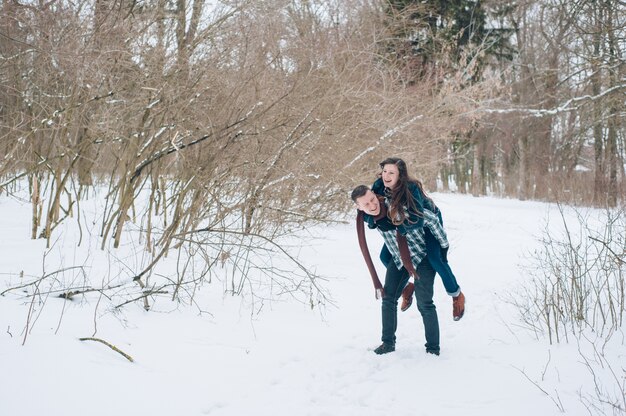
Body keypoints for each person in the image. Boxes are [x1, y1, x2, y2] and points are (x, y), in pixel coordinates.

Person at [374, 157, 465, 321]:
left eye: (391, 173)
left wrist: (443, 246)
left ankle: (456, 294)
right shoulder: (379, 186)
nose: (386, 175)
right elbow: (370, 207)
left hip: (427, 224)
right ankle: (407, 288)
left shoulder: (411, 188)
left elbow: (420, 218)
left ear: (400, 175)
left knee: (435, 259)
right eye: (384, 171)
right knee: (385, 257)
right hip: (402, 225)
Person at [352, 185, 440, 356]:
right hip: (400, 258)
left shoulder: (395, 205)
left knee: (425, 303)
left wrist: (441, 248)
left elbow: (431, 219)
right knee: (388, 297)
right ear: (359, 208)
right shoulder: (365, 217)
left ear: (375, 195)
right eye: (365, 204)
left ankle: (433, 349)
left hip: (422, 256)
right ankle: (387, 344)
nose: (371, 205)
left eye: (372, 199)